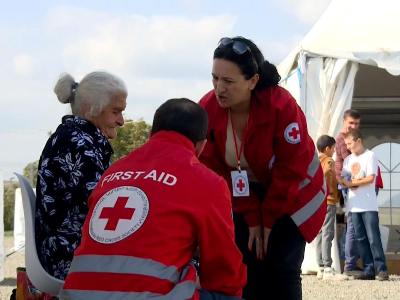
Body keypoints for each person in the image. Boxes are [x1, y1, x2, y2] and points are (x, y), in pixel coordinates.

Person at [59, 98, 246, 299]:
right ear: (201, 146)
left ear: (150, 135)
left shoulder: (112, 173)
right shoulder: (207, 182)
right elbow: (224, 269)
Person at [199, 36, 326, 300]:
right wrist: (250, 216)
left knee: (282, 268)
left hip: (294, 192)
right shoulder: (208, 108)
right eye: (215, 79)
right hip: (243, 193)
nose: (219, 89)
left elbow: (292, 168)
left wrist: (268, 219)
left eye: (228, 81)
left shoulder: (282, 105)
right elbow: (214, 169)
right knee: (246, 264)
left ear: (253, 81)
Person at [35, 71, 127, 279]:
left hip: (73, 248)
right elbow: (105, 203)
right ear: (91, 110)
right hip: (71, 255)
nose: (121, 121)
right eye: (115, 111)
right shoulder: (78, 145)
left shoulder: (78, 138)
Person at [340, 129, 389, 281]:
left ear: (358, 140)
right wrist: (345, 182)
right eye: (346, 144)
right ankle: (368, 269)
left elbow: (370, 178)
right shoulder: (348, 160)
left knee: (373, 238)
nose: (347, 147)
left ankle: (381, 270)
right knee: (360, 239)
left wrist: (351, 183)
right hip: (353, 206)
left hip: (368, 205)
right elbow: (343, 178)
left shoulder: (370, 156)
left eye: (350, 143)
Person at [334, 109, 362, 276]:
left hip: (350, 182)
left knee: (353, 223)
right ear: (344, 122)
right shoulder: (342, 138)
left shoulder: (350, 138)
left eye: (357, 123)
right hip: (347, 182)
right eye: (351, 123)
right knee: (353, 223)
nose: (354, 126)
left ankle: (352, 262)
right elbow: (350, 160)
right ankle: (350, 264)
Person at [315, 135, 346, 280]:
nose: (334, 151)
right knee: (328, 232)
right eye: (333, 148)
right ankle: (328, 267)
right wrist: (331, 189)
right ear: (327, 148)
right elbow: (327, 172)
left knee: (320, 233)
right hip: (329, 201)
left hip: (319, 202)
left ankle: (321, 266)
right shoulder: (329, 160)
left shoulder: (316, 160)